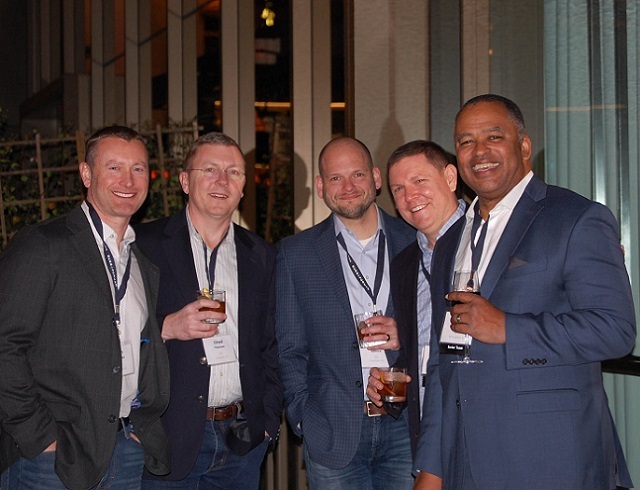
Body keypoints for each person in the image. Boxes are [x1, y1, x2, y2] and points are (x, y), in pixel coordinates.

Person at [413, 94, 636, 490]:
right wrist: (432, 467)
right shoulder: (449, 242)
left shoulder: (576, 218)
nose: (479, 151)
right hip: (465, 463)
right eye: (465, 141)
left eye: (493, 136)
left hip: (549, 459)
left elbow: (614, 329)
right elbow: (442, 366)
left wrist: (508, 328)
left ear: (524, 146)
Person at [0, 126, 171, 489]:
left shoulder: (140, 261)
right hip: (52, 460)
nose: (128, 179)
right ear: (86, 173)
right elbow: (5, 347)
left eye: (138, 169)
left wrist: (139, 430)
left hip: (124, 449)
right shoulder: (43, 244)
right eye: (114, 168)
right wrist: (40, 437)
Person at [135, 132, 282, 488]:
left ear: (244, 187)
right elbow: (108, 331)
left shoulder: (261, 254)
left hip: (242, 440)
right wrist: (167, 326)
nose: (222, 180)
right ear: (185, 181)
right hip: (167, 439)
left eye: (233, 172)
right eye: (210, 169)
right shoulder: (143, 245)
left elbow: (274, 344)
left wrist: (268, 419)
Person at [275, 137, 416, 489]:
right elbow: (289, 348)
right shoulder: (295, 255)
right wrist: (304, 417)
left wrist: (407, 334)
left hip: (408, 427)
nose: (349, 187)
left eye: (357, 174)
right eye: (336, 178)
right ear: (321, 187)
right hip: (333, 430)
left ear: (376, 178)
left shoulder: (417, 241)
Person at [366, 140, 466, 456]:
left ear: (450, 178)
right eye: (398, 189)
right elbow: (418, 350)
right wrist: (390, 382)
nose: (410, 197)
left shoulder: (486, 240)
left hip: (484, 426)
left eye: (419, 181)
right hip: (426, 429)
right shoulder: (406, 263)